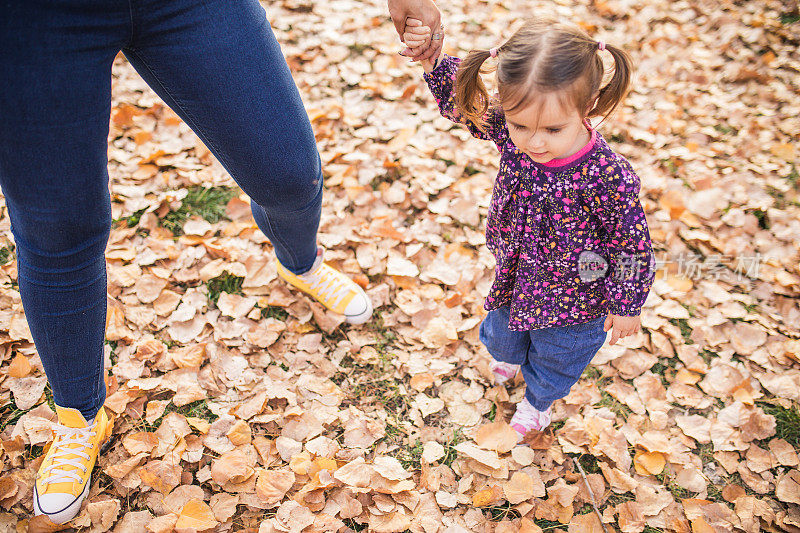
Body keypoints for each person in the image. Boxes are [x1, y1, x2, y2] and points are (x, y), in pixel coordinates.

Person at [0, 0, 389, 523]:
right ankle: (79, 417)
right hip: (34, 21)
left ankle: (300, 263)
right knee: (59, 232)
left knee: (289, 173)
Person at [403, 17, 656, 442]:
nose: (535, 142)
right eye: (521, 127)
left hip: (578, 295)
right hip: (518, 275)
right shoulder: (511, 131)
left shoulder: (607, 176)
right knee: (502, 337)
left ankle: (537, 403)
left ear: (589, 105)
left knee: (558, 357)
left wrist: (627, 302)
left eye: (553, 130)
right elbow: (467, 108)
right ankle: (509, 357)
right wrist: (433, 64)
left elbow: (631, 244)